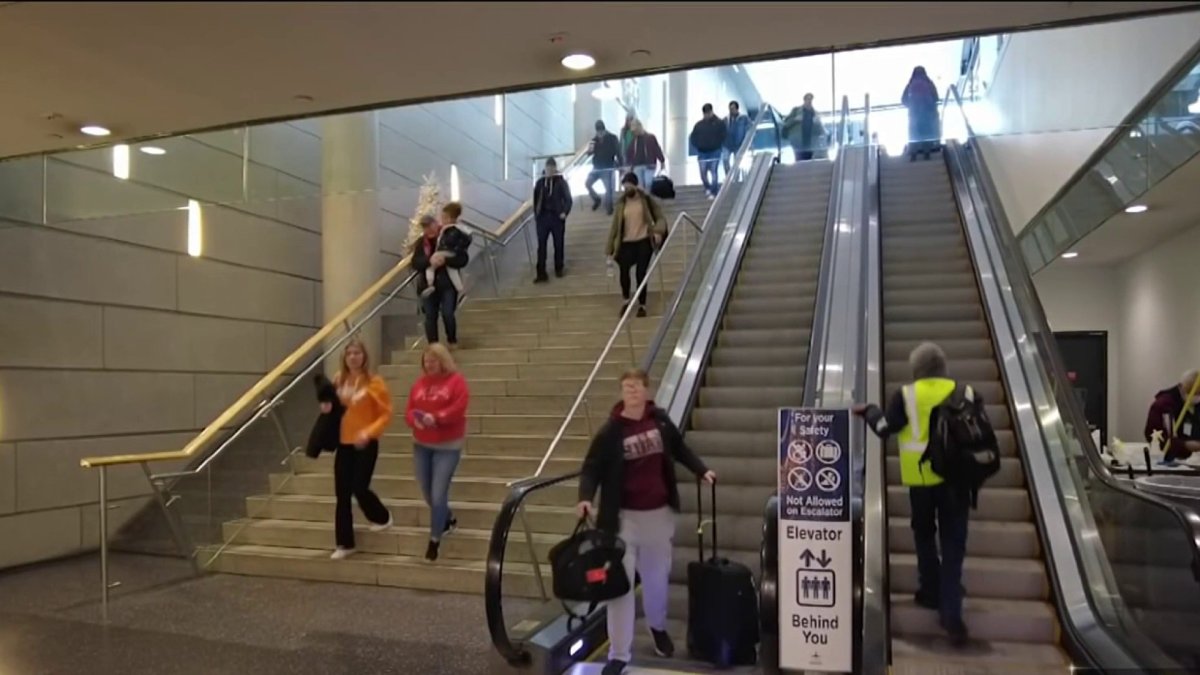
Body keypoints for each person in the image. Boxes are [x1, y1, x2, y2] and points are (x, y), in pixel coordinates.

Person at [577, 368, 716, 675]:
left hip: (658, 516)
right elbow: (592, 468)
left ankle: (657, 627)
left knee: (656, 580)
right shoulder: (611, 431)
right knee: (619, 588)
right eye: (627, 387)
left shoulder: (661, 422)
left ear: (646, 390)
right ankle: (619, 653)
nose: (632, 392)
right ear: (622, 392)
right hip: (623, 520)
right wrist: (585, 496)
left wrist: (701, 470)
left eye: (637, 387)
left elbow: (680, 449)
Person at [853, 342, 989, 647]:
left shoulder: (906, 395)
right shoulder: (966, 392)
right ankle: (951, 611)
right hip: (957, 481)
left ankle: (929, 591)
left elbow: (886, 428)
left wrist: (870, 412)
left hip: (922, 481)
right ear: (943, 366)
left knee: (925, 536)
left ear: (916, 369)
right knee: (954, 543)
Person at [326, 339, 394, 560]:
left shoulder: (374, 382)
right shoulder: (339, 380)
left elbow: (385, 414)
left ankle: (381, 516)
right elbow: (333, 407)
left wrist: (369, 432)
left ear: (364, 356)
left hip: (366, 443)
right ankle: (344, 543)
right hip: (344, 443)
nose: (353, 357)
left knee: (359, 487)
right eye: (349, 354)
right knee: (342, 493)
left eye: (357, 353)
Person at [404, 343, 470, 561]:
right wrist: (415, 420)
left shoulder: (456, 382)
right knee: (427, 492)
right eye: (426, 361)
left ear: (443, 361)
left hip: (447, 446)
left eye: (433, 360)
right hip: (422, 444)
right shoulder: (419, 384)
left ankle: (434, 540)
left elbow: (459, 408)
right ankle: (447, 518)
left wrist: (438, 417)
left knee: (438, 492)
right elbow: (409, 410)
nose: (429, 365)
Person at [606, 172, 666, 319]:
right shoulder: (621, 204)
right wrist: (609, 249)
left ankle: (642, 305)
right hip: (626, 243)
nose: (626, 190)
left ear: (635, 185)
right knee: (624, 271)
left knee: (641, 273)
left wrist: (658, 232)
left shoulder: (646, 200)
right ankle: (626, 300)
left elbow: (660, 218)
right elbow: (615, 227)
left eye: (628, 186)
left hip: (643, 241)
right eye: (624, 187)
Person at [412, 211, 471, 348]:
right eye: (425, 227)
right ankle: (434, 347)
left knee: (448, 313)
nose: (429, 229)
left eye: (430, 225)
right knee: (430, 317)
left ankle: (452, 340)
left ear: (435, 223)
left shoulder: (448, 236)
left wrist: (446, 260)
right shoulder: (421, 243)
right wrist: (430, 260)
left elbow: (462, 258)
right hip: (428, 286)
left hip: (447, 284)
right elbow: (416, 262)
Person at [1145, 369, 1200, 464]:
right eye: (1194, 393)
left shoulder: (1197, 405)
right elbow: (1154, 436)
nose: (1197, 397)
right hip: (1169, 461)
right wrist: (1184, 445)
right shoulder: (1163, 405)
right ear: (1181, 387)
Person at [532, 157, 573, 283]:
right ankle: (541, 272)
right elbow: (535, 200)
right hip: (543, 217)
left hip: (556, 217)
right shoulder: (540, 183)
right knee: (541, 246)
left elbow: (568, 199)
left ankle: (559, 268)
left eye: (552, 168)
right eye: (548, 168)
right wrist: (537, 215)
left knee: (558, 243)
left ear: (555, 169)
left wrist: (564, 212)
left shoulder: (561, 182)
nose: (549, 170)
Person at [420, 202, 468, 299]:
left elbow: (453, 243)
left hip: (446, 251)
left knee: (431, 265)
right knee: (451, 270)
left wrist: (442, 257)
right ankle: (460, 290)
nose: (442, 220)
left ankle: (430, 284)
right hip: (449, 252)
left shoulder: (451, 229)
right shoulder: (422, 242)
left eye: (444, 218)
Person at [901, 66, 941, 161]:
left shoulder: (910, 84)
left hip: (914, 114)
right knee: (926, 133)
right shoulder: (929, 83)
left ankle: (913, 154)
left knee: (914, 134)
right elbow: (936, 98)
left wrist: (911, 105)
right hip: (927, 114)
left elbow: (903, 100)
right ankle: (927, 153)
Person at [690, 103, 727, 199]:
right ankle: (708, 188)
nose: (706, 115)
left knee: (714, 171)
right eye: (705, 114)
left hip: (715, 150)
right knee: (702, 173)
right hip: (702, 152)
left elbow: (724, 135)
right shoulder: (699, 125)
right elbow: (693, 137)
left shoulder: (719, 123)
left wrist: (718, 144)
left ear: (711, 112)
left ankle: (714, 191)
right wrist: (698, 145)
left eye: (708, 113)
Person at [587, 120, 622, 215]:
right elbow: (589, 154)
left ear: (604, 130)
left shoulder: (612, 138)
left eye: (601, 132)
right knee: (588, 183)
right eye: (598, 132)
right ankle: (596, 198)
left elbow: (618, 152)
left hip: (607, 166)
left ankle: (609, 207)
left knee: (608, 187)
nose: (600, 134)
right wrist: (590, 150)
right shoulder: (594, 140)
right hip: (597, 167)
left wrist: (621, 166)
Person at [782, 93, 827, 161]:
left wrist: (817, 123)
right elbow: (786, 124)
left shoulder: (815, 113)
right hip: (798, 143)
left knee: (809, 163)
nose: (809, 101)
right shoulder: (796, 111)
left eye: (811, 99)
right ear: (804, 100)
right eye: (807, 99)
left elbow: (821, 132)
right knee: (799, 161)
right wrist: (795, 119)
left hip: (811, 145)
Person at [625, 120, 665, 192]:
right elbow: (629, 153)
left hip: (649, 165)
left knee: (648, 182)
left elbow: (657, 149)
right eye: (633, 131)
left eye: (635, 131)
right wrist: (629, 165)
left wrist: (662, 161)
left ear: (640, 127)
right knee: (640, 185)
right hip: (637, 165)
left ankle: (647, 198)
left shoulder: (650, 137)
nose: (634, 133)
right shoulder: (634, 141)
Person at [722, 100, 751, 178]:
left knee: (737, 162)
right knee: (725, 159)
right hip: (727, 144)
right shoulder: (726, 119)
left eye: (733, 109)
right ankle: (728, 177)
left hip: (739, 144)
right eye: (730, 109)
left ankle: (736, 178)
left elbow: (750, 130)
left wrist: (747, 143)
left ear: (737, 109)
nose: (731, 111)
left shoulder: (744, 118)